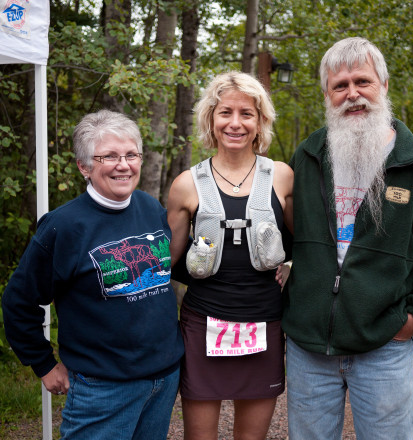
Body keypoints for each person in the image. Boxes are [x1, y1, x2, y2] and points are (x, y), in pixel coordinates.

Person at [283, 37, 413, 440]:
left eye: (362, 81)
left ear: (383, 84)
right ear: (327, 95)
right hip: (309, 349)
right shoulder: (307, 156)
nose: (352, 95)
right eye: (340, 86)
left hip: (385, 347)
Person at [2, 109, 184, 440]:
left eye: (131, 154)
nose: (123, 164)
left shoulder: (150, 207)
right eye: (109, 157)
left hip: (163, 380)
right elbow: (18, 302)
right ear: (84, 167)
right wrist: (42, 363)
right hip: (103, 389)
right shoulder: (63, 226)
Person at [167, 71, 293, 440]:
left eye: (246, 114)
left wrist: (289, 265)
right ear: (211, 119)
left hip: (264, 323)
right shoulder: (187, 184)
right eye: (225, 112)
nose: (235, 123)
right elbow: (166, 260)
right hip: (204, 324)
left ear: (260, 122)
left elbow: (305, 241)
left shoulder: (283, 177)